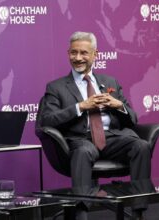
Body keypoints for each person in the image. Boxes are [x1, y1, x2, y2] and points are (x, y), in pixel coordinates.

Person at [37, 32, 150, 220]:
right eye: (74, 53)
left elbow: (133, 119)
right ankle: (80, 215)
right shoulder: (56, 87)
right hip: (81, 140)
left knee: (141, 146)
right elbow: (46, 120)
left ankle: (139, 212)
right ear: (68, 54)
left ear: (95, 54)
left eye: (84, 53)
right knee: (83, 152)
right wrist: (80, 107)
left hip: (112, 137)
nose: (78, 58)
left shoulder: (109, 82)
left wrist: (118, 106)